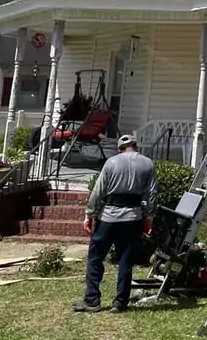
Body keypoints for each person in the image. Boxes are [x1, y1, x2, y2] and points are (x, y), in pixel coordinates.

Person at [74, 134, 158, 314]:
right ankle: (120, 302)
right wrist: (148, 218)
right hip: (133, 217)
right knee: (126, 261)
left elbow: (98, 191)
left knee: (96, 257)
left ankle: (92, 300)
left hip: (109, 217)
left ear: (119, 149)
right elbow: (152, 194)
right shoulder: (148, 163)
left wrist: (89, 214)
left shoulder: (111, 163)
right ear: (136, 146)